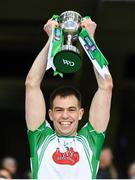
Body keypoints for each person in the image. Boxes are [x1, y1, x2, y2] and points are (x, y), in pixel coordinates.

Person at [25, 17, 113, 179]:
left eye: (71, 109)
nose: (65, 115)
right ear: (50, 114)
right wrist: (52, 39)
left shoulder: (90, 140)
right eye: (59, 110)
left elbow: (106, 86)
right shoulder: (40, 138)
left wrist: (89, 39)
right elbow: (31, 84)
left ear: (80, 113)